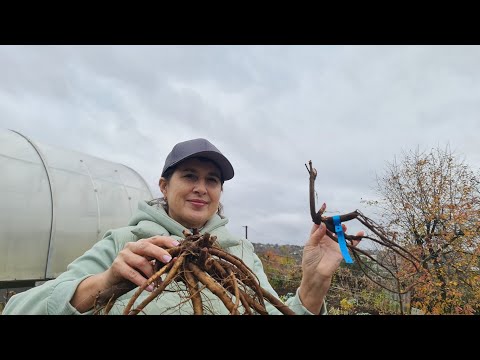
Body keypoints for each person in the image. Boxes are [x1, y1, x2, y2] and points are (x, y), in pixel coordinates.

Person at [3, 138, 362, 315]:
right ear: (164, 186)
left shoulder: (239, 252)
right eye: (189, 176)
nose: (201, 188)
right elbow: (18, 309)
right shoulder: (125, 244)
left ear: (220, 192)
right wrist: (104, 283)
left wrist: (312, 287)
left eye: (212, 180)